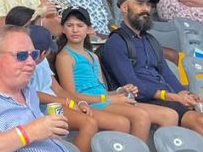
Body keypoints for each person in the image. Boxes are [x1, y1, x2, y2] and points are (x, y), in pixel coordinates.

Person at [55, 7, 178, 143]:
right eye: (69, 25)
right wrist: (108, 99)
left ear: (89, 29)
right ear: (63, 29)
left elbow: (101, 90)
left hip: (104, 100)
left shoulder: (93, 56)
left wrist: (119, 92)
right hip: (90, 104)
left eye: (80, 25)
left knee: (170, 115)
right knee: (140, 116)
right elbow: (70, 94)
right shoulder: (65, 57)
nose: (75, 30)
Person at [102, 0, 203, 136]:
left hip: (166, 98)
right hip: (145, 100)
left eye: (148, 5)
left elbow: (167, 74)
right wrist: (170, 96)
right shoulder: (116, 42)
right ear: (124, 7)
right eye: (140, 4)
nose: (146, 9)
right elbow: (131, 83)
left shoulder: (150, 40)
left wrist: (185, 93)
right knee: (199, 121)